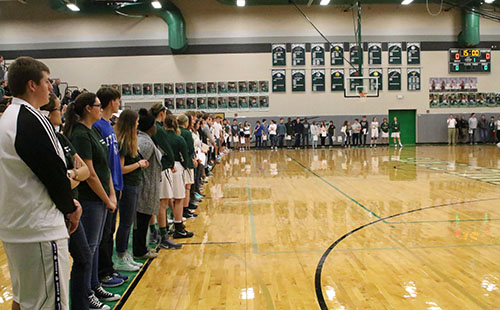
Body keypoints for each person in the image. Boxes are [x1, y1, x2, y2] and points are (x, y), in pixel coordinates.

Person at [0, 56, 80, 310]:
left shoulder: (8, 119)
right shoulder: (31, 119)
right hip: (39, 228)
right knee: (50, 304)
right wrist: (70, 207)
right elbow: (53, 172)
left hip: (17, 227)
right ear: (32, 85)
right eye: (47, 81)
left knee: (24, 301)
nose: (51, 88)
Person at [63, 92, 121, 306]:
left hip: (101, 197)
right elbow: (90, 173)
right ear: (88, 108)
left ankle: (94, 285)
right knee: (88, 249)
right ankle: (86, 292)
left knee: (94, 246)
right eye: (97, 105)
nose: (100, 108)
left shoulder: (91, 131)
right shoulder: (80, 134)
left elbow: (103, 166)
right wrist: (107, 198)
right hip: (90, 199)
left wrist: (111, 194)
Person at [41, 93, 95, 310]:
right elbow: (58, 180)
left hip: (73, 208)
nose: (61, 112)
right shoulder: (43, 140)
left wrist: (70, 175)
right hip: (58, 211)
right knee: (56, 274)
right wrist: (74, 175)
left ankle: (81, 304)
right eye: (57, 109)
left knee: (83, 258)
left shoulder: (61, 138)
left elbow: (84, 170)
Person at [94, 87, 126, 286]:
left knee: (109, 232)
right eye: (117, 100)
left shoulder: (109, 125)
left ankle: (109, 268)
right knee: (103, 234)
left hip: (116, 183)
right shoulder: (97, 126)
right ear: (111, 102)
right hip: (107, 187)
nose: (119, 103)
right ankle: (102, 273)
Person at [149, 103, 181, 249]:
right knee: (163, 203)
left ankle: (153, 232)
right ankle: (163, 236)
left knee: (153, 204)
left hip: (151, 169)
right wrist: (171, 163)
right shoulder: (158, 129)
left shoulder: (149, 127)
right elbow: (166, 149)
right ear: (162, 113)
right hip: (162, 168)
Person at [134, 109, 162, 260]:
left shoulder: (147, 140)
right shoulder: (145, 143)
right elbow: (136, 162)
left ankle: (142, 248)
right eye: (155, 124)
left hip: (148, 186)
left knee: (144, 220)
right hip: (144, 186)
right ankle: (139, 250)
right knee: (141, 221)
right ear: (150, 127)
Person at [164, 114, 194, 239]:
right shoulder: (179, 138)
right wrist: (186, 165)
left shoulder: (161, 137)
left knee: (165, 199)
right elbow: (185, 156)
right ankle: (178, 227)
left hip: (164, 168)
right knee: (179, 198)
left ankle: (164, 228)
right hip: (177, 167)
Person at [178, 114, 198, 218]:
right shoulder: (186, 133)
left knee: (182, 187)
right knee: (187, 187)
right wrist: (193, 159)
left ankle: (183, 209)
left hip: (178, 162)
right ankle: (185, 209)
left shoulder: (176, 131)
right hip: (187, 162)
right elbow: (190, 149)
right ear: (186, 122)